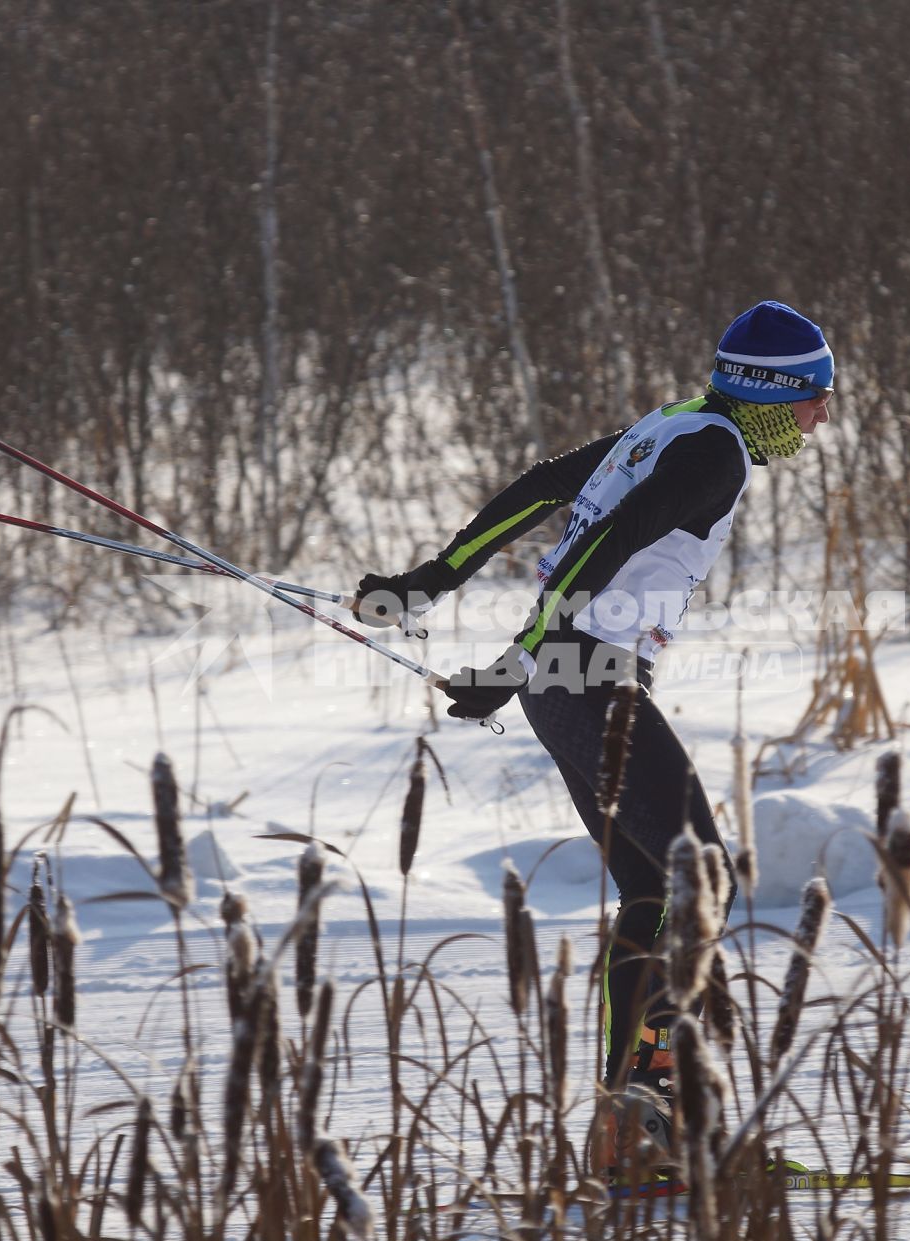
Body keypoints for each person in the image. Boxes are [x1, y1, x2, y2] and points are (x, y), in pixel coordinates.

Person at [354, 300, 834, 1175]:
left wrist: (432, 582)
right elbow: (601, 547)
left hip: (564, 682)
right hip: (584, 673)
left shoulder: (675, 424)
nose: (822, 418)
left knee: (657, 888)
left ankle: (631, 1128)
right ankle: (664, 1118)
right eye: (815, 398)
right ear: (774, 395)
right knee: (703, 877)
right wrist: (518, 657)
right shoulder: (715, 453)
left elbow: (542, 488)